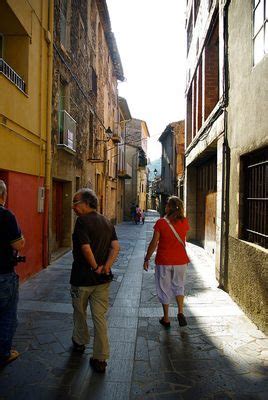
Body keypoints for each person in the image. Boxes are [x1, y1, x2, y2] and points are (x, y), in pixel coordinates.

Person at [71, 188, 120, 373]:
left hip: (82, 278)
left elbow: (85, 248)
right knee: (100, 318)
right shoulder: (107, 221)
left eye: (76, 203)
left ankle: (80, 342)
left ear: (85, 203)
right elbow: (116, 247)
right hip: (102, 280)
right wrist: (106, 267)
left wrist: (94, 266)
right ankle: (100, 358)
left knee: (80, 312)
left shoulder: (81, 221)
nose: (73, 207)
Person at [143, 196, 189, 328]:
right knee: (179, 286)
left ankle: (166, 318)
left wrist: (147, 258)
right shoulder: (184, 222)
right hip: (181, 260)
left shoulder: (161, 223)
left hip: (164, 260)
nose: (165, 206)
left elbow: (154, 243)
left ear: (169, 207)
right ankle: (180, 312)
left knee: (164, 288)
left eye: (167, 204)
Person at [0, 180, 25, 367]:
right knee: (7, 315)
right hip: (3, 274)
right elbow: (18, 244)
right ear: (3, 195)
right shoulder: (6, 215)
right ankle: (3, 353)